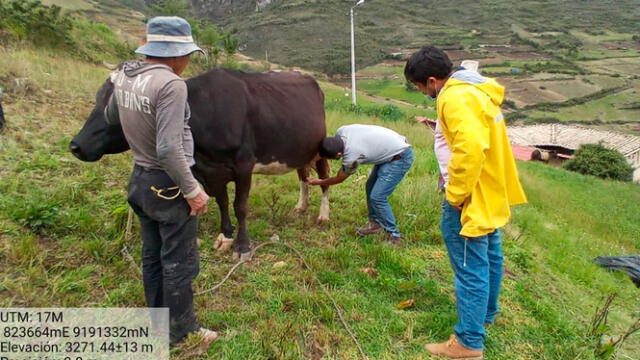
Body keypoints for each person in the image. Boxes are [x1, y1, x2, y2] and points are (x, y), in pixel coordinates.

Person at [405, 46, 527, 359]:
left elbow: (470, 147)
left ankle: (468, 342)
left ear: (432, 81)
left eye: (419, 87)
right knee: (489, 254)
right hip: (489, 187)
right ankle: (485, 315)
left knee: (468, 263)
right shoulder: (475, 89)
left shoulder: (454, 97)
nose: (422, 93)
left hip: (470, 193)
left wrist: (455, 193)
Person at [104, 16, 217, 348]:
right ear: (176, 54)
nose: (188, 62)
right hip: (167, 184)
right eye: (188, 55)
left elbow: (111, 116)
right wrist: (192, 189)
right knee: (179, 260)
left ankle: (157, 320)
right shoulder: (171, 84)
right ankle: (182, 333)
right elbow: (168, 148)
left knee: (152, 254)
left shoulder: (126, 74)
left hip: (139, 180)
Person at [307, 124, 413, 245]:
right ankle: (375, 225)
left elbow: (339, 179)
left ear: (339, 155)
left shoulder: (352, 155)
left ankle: (394, 236)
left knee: (378, 197)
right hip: (391, 147)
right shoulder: (341, 131)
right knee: (370, 188)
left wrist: (319, 182)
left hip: (400, 156)